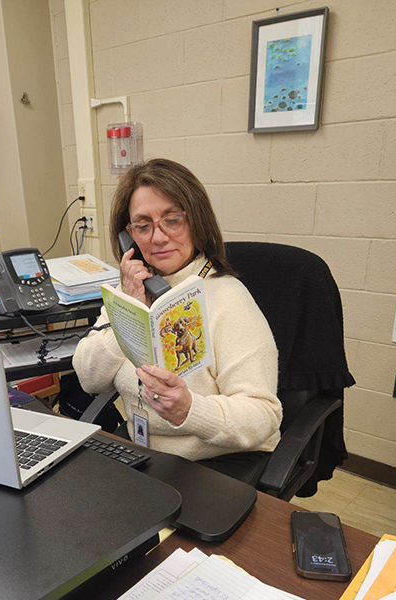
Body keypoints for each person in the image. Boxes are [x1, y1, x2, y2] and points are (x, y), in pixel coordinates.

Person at [72, 159, 282, 479]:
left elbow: (263, 415)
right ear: (128, 236)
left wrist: (189, 409)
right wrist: (130, 305)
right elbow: (89, 377)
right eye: (142, 226)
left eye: (172, 220)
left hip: (216, 462)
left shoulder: (228, 298)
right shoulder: (130, 289)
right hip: (143, 455)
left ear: (196, 221)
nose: (158, 238)